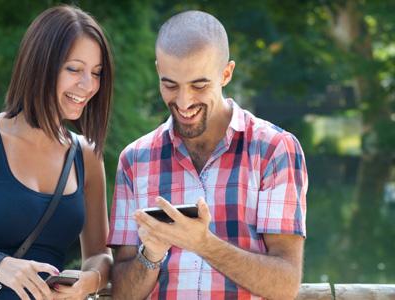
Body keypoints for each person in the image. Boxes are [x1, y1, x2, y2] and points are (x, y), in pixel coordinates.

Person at [108, 10, 308, 300]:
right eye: (170, 85)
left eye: (199, 85)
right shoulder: (134, 160)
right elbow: (123, 295)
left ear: (226, 73)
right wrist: (151, 253)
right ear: (158, 71)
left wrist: (203, 244)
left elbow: (285, 285)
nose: (184, 101)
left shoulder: (275, 150)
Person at [0, 5, 113, 299]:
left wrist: (90, 281)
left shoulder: (86, 155)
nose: (88, 85)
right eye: (74, 69)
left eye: (96, 73)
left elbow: (99, 255)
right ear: (41, 64)